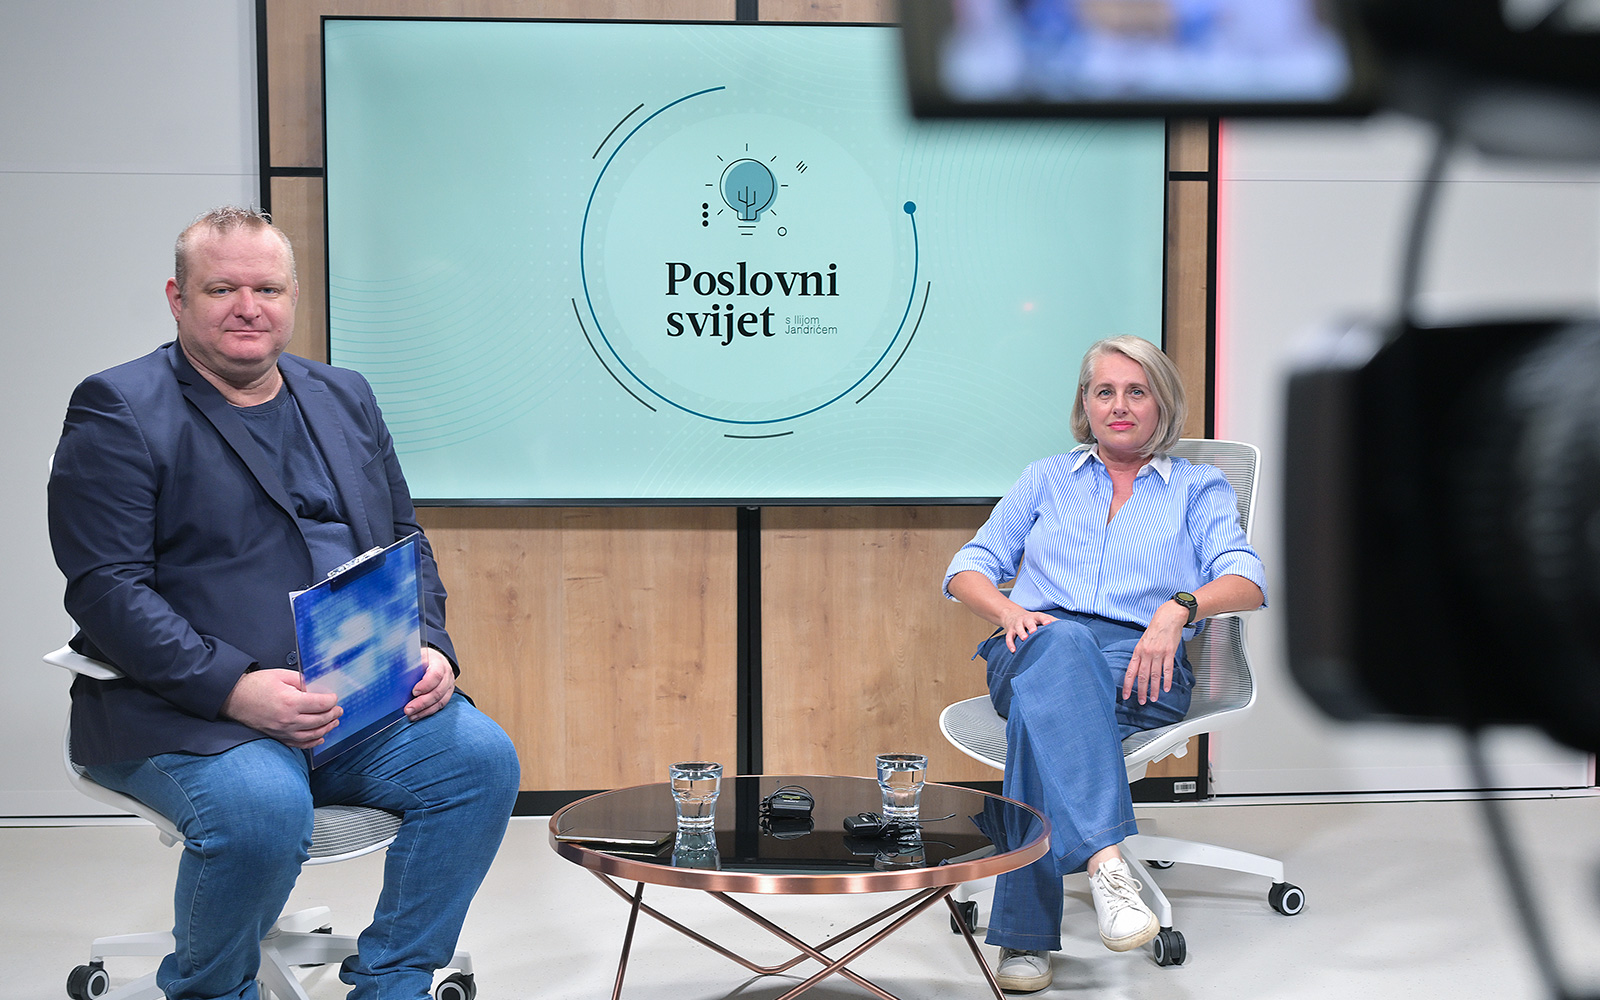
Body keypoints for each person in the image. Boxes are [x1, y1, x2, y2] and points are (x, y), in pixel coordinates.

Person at [47, 207, 521, 1000]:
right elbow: (106, 589)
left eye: (266, 288)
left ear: (293, 297)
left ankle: (395, 980)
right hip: (190, 711)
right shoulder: (118, 407)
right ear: (177, 298)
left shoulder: (344, 395)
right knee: (263, 809)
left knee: (480, 763)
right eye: (221, 289)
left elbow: (404, 539)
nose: (248, 307)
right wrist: (235, 689)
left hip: (354, 700)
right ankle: (211, 989)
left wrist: (431, 645)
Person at [943, 335, 1266, 993]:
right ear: (1085, 404)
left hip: (1141, 662)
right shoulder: (1045, 478)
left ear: (1161, 403)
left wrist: (1178, 609)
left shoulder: (1197, 488)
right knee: (1060, 648)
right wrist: (1008, 611)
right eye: (1104, 391)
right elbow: (967, 567)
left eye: (1136, 391)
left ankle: (1025, 939)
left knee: (1040, 715)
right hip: (1031, 643)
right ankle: (1106, 862)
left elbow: (1247, 581)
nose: (1119, 405)